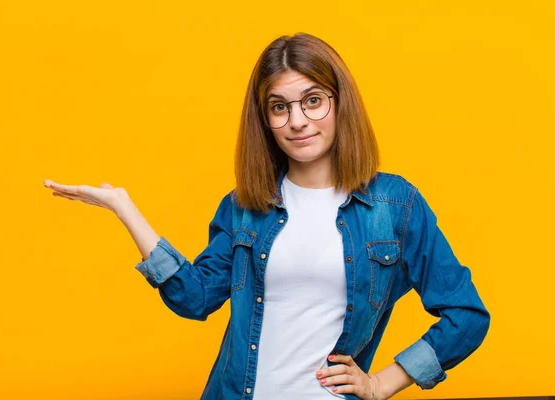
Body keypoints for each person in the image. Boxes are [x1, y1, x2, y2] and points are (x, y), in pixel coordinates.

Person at [44, 33, 490, 400]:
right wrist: (126, 209)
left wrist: (382, 383)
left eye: (313, 100)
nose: (297, 120)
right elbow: (194, 298)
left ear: (340, 103)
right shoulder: (244, 206)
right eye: (280, 107)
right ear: (266, 120)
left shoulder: (395, 205)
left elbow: (466, 315)